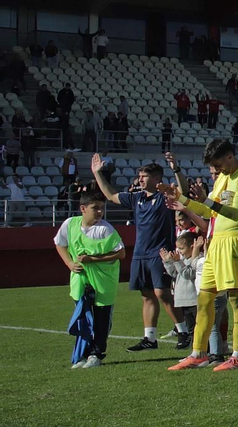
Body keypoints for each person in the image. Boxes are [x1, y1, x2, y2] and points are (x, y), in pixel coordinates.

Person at [163, 139, 238, 373]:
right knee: (205, 299)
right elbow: (209, 211)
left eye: (218, 164)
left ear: (230, 156)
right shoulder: (224, 179)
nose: (217, 170)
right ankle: (198, 353)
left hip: (235, 241)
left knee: (237, 298)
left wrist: (206, 200)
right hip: (215, 243)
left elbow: (236, 212)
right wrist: (181, 198)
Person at [89, 156, 178, 352]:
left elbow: (184, 193)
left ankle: (184, 330)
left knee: (162, 293)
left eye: (144, 176)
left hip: (160, 253)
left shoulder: (166, 198)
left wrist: (177, 170)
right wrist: (97, 173)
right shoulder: (137, 197)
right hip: (140, 253)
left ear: (156, 179)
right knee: (147, 295)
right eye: (139, 176)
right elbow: (112, 196)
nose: (140, 180)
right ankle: (150, 339)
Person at [56, 187, 126, 368]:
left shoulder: (105, 229)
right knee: (83, 318)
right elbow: (60, 244)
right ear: (83, 208)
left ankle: (97, 354)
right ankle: (83, 354)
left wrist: (92, 259)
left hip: (104, 283)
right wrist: (70, 264)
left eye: (102, 208)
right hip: (80, 281)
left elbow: (121, 253)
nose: (100, 212)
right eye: (96, 208)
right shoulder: (70, 224)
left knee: (101, 320)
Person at [160, 232, 202, 351]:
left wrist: (178, 262)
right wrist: (167, 262)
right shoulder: (182, 259)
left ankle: (200, 350)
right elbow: (174, 273)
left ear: (192, 247)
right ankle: (195, 350)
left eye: (182, 248)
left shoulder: (197, 259)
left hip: (193, 300)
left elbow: (188, 274)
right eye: (178, 248)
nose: (179, 251)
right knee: (190, 327)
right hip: (183, 300)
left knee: (197, 327)